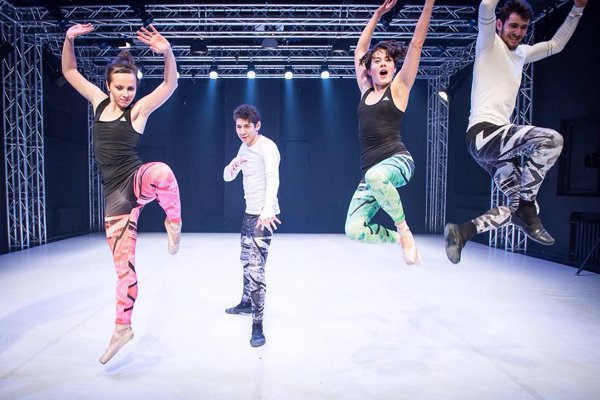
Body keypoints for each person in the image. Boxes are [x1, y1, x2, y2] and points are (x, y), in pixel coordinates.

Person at [62, 23, 182, 363]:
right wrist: (69, 38)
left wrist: (167, 53)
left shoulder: (138, 111)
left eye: (131, 88)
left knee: (163, 172)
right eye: (120, 87)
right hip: (115, 199)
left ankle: (173, 223)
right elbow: (69, 71)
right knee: (124, 271)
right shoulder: (99, 103)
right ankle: (122, 328)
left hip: (135, 179)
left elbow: (170, 84)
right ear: (108, 85)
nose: (126, 93)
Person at [444, 0, 587, 264]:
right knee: (551, 140)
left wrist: (577, 9)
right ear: (499, 24)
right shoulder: (489, 44)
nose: (518, 32)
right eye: (513, 26)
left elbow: (556, 45)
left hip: (495, 148)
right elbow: (486, 6)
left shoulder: (521, 53)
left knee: (518, 204)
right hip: (483, 135)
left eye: (523, 27)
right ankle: (527, 207)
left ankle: (462, 232)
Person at [344, 0, 434, 265]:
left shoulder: (399, 88)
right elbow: (360, 50)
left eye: (388, 60)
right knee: (354, 229)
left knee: (376, 175)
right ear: (369, 69)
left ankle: (405, 232)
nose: (383, 64)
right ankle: (396, 239)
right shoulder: (365, 90)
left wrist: (429, 3)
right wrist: (377, 14)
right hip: (372, 175)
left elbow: (416, 44)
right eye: (377, 61)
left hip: (398, 161)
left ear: (394, 67)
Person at [223, 104, 281, 348]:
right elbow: (228, 177)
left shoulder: (267, 146)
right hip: (249, 214)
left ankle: (258, 326)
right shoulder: (243, 147)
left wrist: (267, 209)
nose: (242, 131)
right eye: (239, 126)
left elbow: (273, 177)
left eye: (247, 126)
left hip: (263, 216)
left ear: (258, 125)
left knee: (257, 270)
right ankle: (246, 303)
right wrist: (232, 166)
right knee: (246, 261)